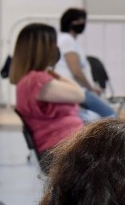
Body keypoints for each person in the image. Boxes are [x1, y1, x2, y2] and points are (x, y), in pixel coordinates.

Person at [9, 23, 85, 156]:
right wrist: (51, 71)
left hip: (65, 146)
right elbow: (79, 94)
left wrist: (50, 71)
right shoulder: (36, 81)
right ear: (44, 50)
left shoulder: (29, 80)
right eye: (53, 44)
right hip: (62, 150)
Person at [53, 7, 116, 120]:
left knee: (96, 117)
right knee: (110, 115)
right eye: (80, 20)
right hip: (75, 89)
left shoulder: (65, 40)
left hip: (73, 88)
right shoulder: (67, 40)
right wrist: (91, 88)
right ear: (70, 22)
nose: (83, 23)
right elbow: (76, 71)